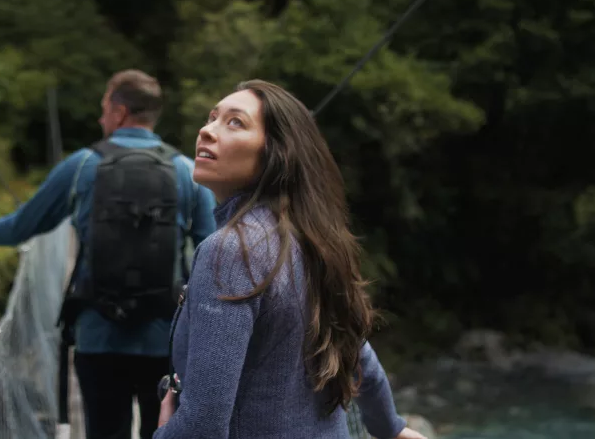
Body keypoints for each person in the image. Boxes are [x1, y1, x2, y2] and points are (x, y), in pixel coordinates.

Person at [153, 80, 425, 439]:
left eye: (235, 122)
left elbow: (203, 425)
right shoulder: (314, 240)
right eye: (212, 118)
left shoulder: (230, 251)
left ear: (274, 153)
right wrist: (391, 429)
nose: (207, 130)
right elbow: (358, 356)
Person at [0, 69, 217, 439]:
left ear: (119, 112)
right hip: (164, 338)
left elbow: (24, 226)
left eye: (104, 108)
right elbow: (211, 255)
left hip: (98, 335)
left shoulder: (82, 165)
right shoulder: (187, 172)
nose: (100, 118)